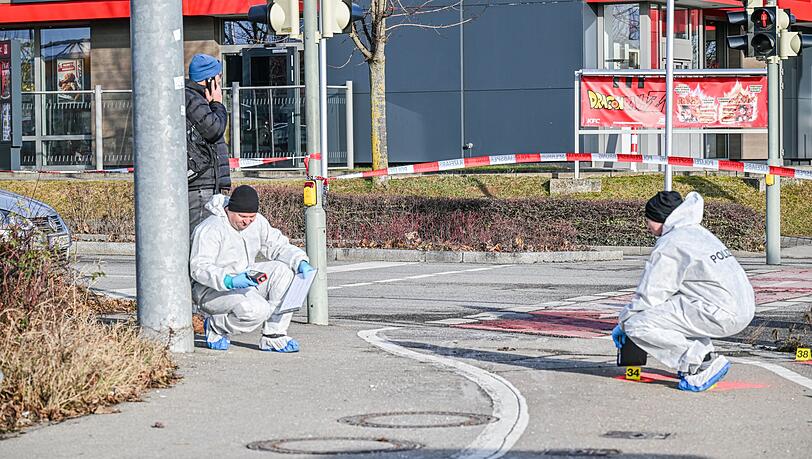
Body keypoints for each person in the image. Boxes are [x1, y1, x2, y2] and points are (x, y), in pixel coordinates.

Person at [611, 191, 755, 392]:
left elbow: (651, 294)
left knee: (638, 325)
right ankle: (703, 354)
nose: (647, 227)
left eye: (648, 221)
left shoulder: (671, 244)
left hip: (720, 312)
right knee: (672, 309)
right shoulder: (698, 232)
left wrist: (625, 322)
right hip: (740, 307)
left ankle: (701, 363)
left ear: (661, 219)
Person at [190, 185, 314, 352]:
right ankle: (216, 326)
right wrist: (229, 280)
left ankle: (274, 334)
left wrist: (299, 261)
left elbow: (278, 245)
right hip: (211, 290)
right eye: (242, 216)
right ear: (229, 210)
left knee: (284, 271)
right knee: (256, 310)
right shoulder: (210, 228)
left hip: (244, 280)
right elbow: (199, 267)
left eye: (251, 217)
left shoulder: (258, 222)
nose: (247, 221)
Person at [185, 53, 232, 237]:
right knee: (201, 239)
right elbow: (214, 129)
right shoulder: (193, 100)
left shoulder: (198, 99)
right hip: (200, 186)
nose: (220, 84)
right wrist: (217, 104)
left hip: (207, 184)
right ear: (209, 80)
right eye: (218, 79)